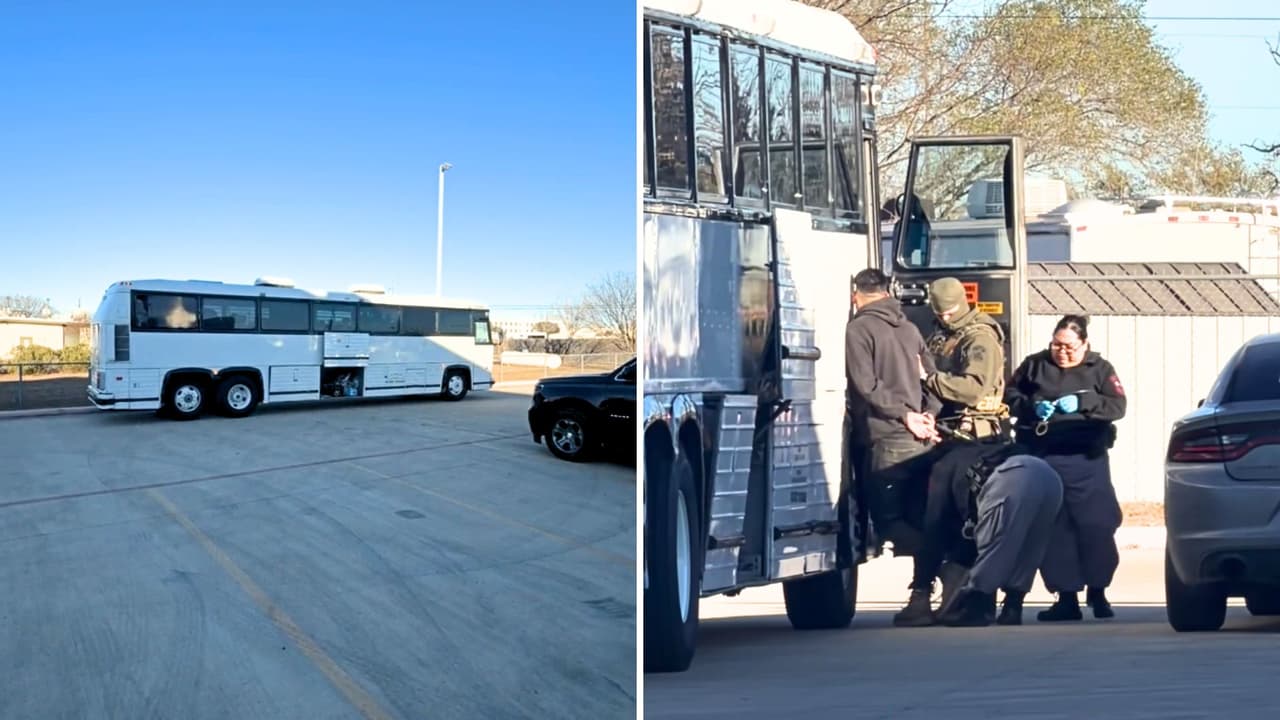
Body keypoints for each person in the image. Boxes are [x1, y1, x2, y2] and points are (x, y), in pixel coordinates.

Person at [1005, 314, 1127, 621]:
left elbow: (1118, 407)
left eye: (1070, 347)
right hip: (1043, 457)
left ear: (1084, 343)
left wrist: (1086, 404)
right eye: (1057, 345)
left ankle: (1098, 592)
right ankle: (1066, 596)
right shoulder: (1034, 365)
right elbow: (1010, 396)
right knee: (1055, 529)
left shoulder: (1100, 370)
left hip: (1086, 458)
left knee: (1096, 525)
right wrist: (1032, 407)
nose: (1062, 352)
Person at [843, 268, 940, 623]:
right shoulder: (910, 328)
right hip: (921, 438)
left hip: (888, 436)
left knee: (886, 523)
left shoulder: (859, 329)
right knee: (918, 515)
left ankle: (948, 566)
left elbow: (865, 386)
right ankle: (922, 599)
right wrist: (927, 414)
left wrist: (903, 416)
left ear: (858, 295)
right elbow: (932, 378)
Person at [933, 438, 1065, 627]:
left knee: (994, 542)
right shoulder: (985, 452)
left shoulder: (947, 463)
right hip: (1050, 477)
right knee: (1031, 546)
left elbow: (940, 522)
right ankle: (1013, 607)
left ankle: (974, 609)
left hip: (1015, 476)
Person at [920, 277, 1008, 439]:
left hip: (972, 430)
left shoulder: (980, 339)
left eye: (950, 313)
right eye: (940, 314)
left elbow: (973, 389)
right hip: (942, 422)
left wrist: (930, 378)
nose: (945, 319)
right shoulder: (942, 333)